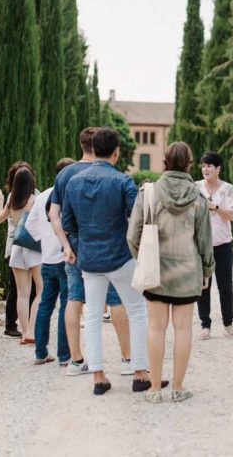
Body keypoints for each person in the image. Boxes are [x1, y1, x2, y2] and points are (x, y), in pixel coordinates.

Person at [62, 128, 157, 396]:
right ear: (116, 152)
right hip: (119, 256)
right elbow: (135, 219)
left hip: (89, 259)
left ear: (92, 148)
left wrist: (82, 248)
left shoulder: (74, 182)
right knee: (137, 310)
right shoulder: (123, 181)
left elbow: (68, 223)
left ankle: (99, 377)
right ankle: (140, 373)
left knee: (91, 316)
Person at [128, 142, 214, 403]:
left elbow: (133, 235)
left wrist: (142, 259)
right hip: (188, 273)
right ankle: (177, 387)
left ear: (164, 162)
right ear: (189, 164)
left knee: (155, 328)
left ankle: (154, 389)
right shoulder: (199, 198)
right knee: (184, 329)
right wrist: (207, 270)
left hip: (156, 272)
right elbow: (204, 241)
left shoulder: (149, 192)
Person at [48, 128, 133, 376]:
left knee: (74, 299)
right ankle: (128, 359)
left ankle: (76, 361)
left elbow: (55, 215)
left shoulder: (65, 174)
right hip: (110, 247)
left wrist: (65, 245)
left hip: (76, 247)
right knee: (116, 300)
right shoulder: (114, 176)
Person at [26, 157, 76, 365]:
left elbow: (29, 225)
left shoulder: (43, 196)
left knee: (46, 304)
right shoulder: (68, 195)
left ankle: (40, 352)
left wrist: (45, 240)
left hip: (46, 259)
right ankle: (65, 355)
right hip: (65, 257)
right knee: (66, 304)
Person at [0, 165, 42, 344]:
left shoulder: (11, 200)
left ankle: (24, 334)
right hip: (32, 248)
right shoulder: (35, 199)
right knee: (41, 290)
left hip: (16, 248)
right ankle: (31, 330)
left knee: (22, 294)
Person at [195, 151, 233, 340]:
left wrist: (215, 208)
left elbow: (231, 215)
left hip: (223, 244)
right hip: (201, 245)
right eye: (203, 165)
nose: (205, 169)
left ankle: (228, 324)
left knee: (225, 286)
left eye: (209, 165)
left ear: (218, 169)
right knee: (203, 286)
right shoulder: (196, 187)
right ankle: (205, 326)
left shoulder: (227, 188)